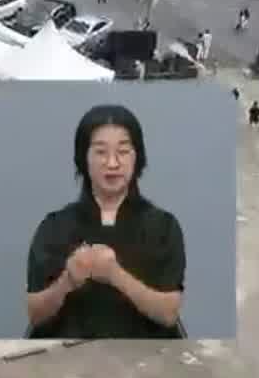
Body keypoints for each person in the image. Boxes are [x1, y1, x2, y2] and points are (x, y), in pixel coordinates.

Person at [24, 103, 187, 339]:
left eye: (122, 151)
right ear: (83, 159)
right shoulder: (55, 225)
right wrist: (67, 281)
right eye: (101, 152)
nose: (112, 163)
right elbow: (34, 314)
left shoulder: (163, 226)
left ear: (137, 157)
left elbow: (169, 312)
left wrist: (114, 275)